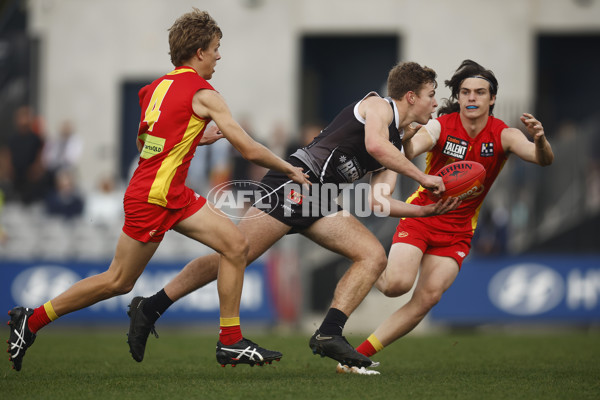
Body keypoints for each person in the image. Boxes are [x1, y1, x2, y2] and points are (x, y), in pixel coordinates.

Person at [6, 8, 309, 372]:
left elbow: (146, 144)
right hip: (154, 198)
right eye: (215, 48)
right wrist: (288, 166)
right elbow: (246, 148)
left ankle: (230, 340)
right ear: (199, 52)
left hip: (169, 192)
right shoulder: (205, 92)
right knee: (118, 280)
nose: (218, 55)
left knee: (236, 245)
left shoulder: (155, 88)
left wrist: (194, 140)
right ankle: (32, 320)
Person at [125, 61, 461, 369]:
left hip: (321, 198)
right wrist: (421, 177)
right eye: (432, 95)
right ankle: (150, 307)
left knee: (372, 256)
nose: (435, 103)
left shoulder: (396, 144)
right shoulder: (377, 106)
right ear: (411, 96)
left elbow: (378, 201)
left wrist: (424, 210)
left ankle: (329, 333)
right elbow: (374, 146)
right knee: (233, 255)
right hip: (295, 181)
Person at [337, 59, 554, 375]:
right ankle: (364, 257)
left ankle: (355, 357)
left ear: (492, 99)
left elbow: (542, 159)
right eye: (465, 91)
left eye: (480, 92)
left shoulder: (503, 135)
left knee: (428, 298)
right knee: (396, 285)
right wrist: (409, 136)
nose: (471, 98)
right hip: (422, 217)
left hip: (459, 231)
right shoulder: (441, 125)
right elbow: (409, 151)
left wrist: (540, 138)